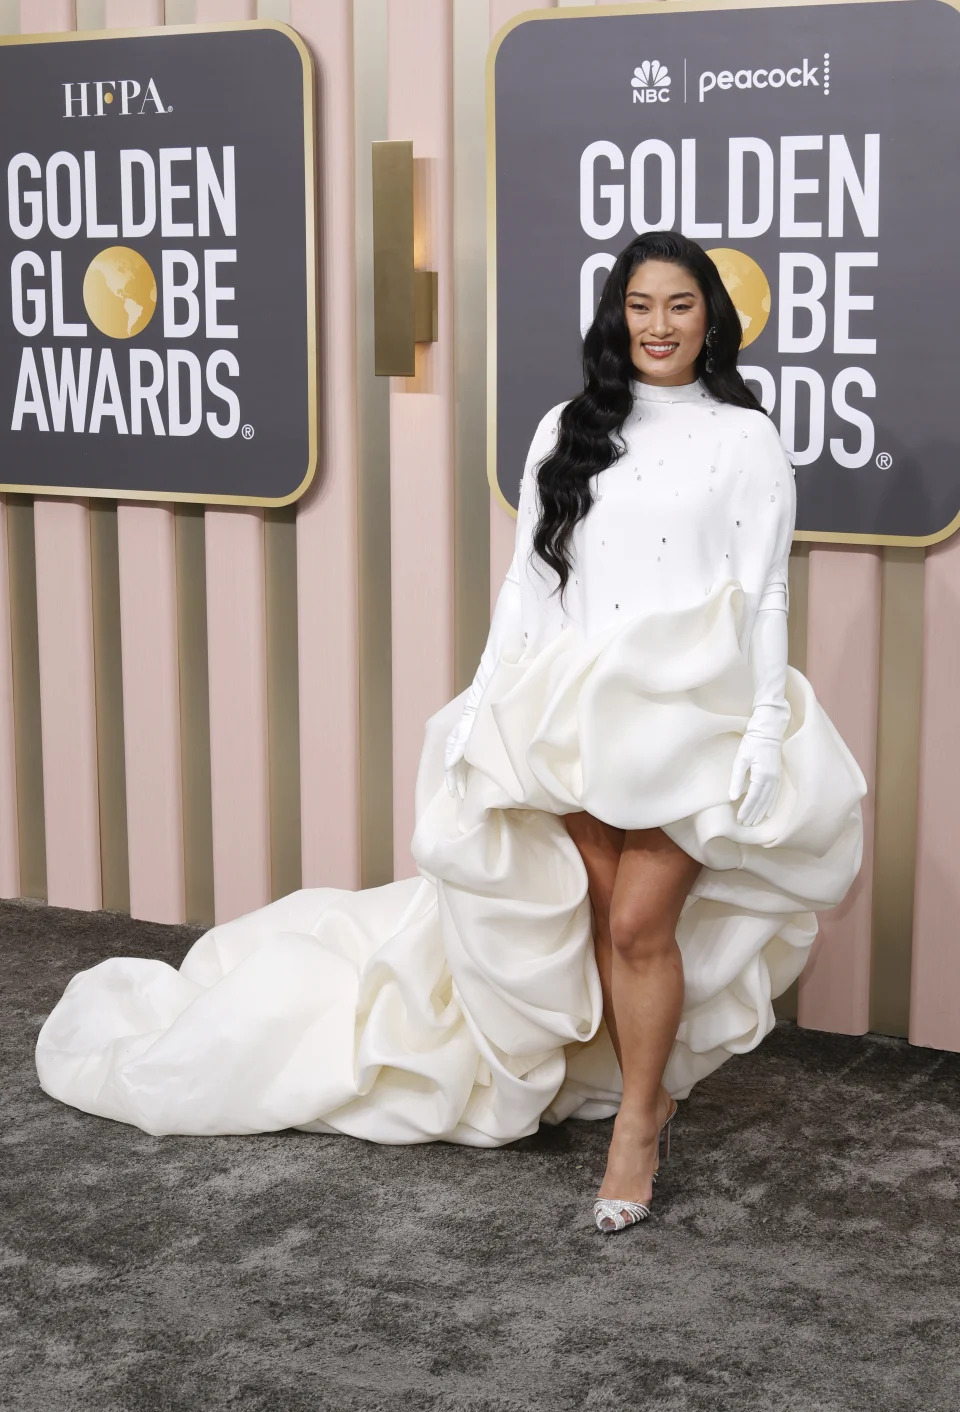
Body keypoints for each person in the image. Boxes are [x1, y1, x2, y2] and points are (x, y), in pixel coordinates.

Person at [35, 231, 866, 1237]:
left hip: (695, 712)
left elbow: (767, 592)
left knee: (644, 922)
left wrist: (767, 729)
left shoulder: (746, 436)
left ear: (711, 317)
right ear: (617, 313)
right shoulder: (571, 426)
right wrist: (482, 700)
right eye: (641, 305)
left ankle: (638, 1126)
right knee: (607, 921)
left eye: (681, 305)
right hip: (574, 711)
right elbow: (531, 585)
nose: (660, 325)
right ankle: (646, 1087)